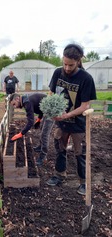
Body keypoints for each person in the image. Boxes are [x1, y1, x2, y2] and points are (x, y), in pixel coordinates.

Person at [46, 43, 96, 196]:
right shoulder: (57, 73)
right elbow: (51, 93)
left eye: (71, 65)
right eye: (65, 64)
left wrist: (67, 115)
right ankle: (60, 174)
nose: (67, 68)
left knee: (79, 152)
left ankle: (83, 182)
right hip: (61, 122)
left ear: (78, 61)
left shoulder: (86, 78)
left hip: (78, 124)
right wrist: (52, 109)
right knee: (60, 148)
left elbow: (84, 106)